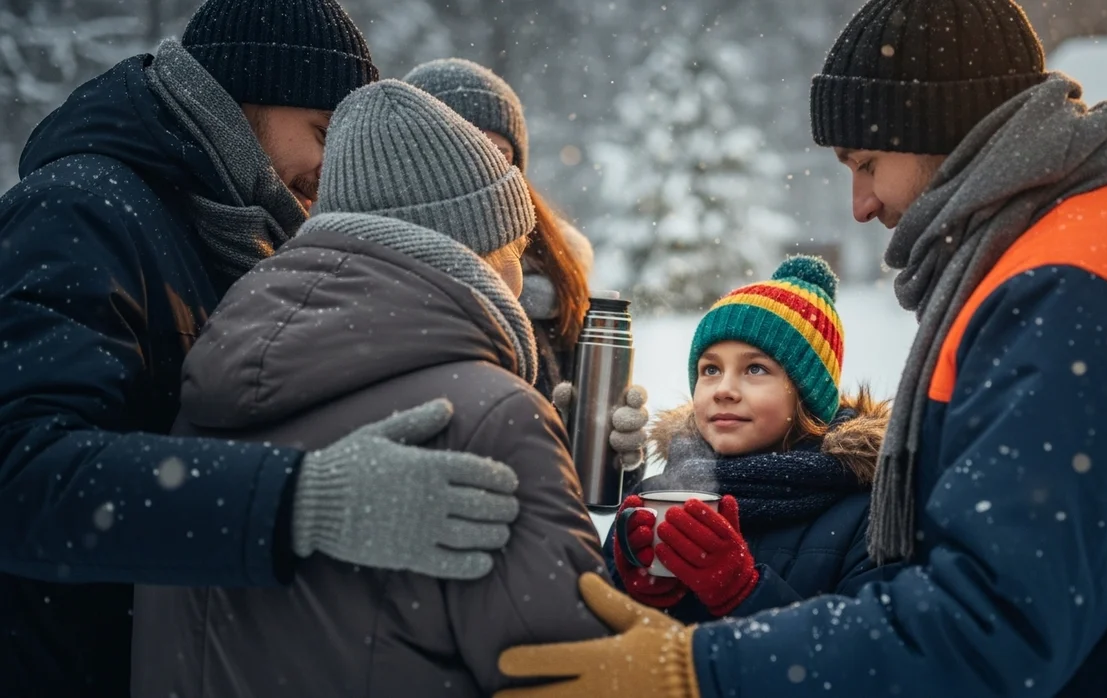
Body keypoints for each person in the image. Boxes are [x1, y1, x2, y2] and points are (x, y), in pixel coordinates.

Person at [492, 0, 1107, 696]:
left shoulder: (1071, 292)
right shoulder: (1091, 251)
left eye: (866, 164)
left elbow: (990, 623)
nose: (863, 205)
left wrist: (704, 668)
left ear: (944, 133)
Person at [0, 1, 519, 695]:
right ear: (250, 93)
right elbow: (21, 473)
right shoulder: (82, 208)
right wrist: (300, 499)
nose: (330, 167)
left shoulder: (227, 226)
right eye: (323, 132)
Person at [131, 79, 611, 697]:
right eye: (512, 246)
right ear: (473, 247)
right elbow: (583, 670)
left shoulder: (208, 383)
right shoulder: (493, 419)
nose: (518, 279)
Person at [603, 256, 891, 621]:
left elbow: (864, 660)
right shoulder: (656, 496)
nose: (723, 389)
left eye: (755, 369)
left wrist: (744, 593)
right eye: (710, 369)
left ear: (807, 396)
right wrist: (636, 594)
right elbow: (590, 644)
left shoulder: (867, 514)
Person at [403, 58, 649, 476]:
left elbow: (576, 482)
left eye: (498, 152)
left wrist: (616, 460)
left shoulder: (554, 287)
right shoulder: (381, 286)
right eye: (462, 148)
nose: (483, 170)